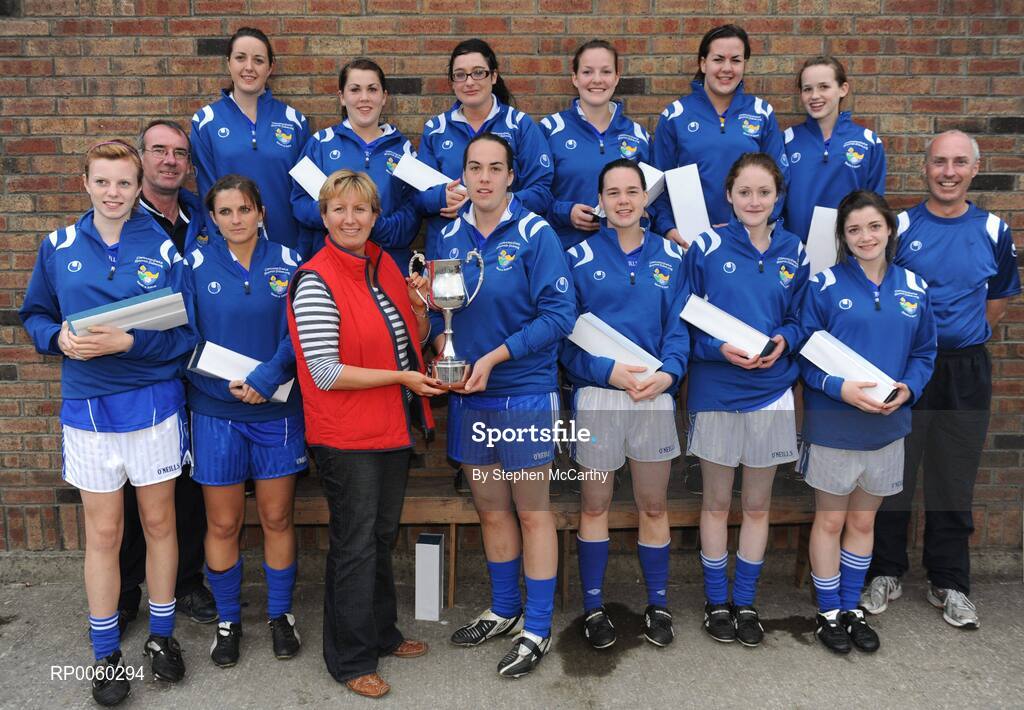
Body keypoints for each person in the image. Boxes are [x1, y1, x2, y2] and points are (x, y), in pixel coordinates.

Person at [19, 140, 195, 706]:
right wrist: (57, 339)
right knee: (103, 533)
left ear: (138, 185)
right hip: (88, 411)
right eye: (103, 182)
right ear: (86, 184)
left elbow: (185, 334)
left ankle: (162, 638)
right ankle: (106, 656)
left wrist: (131, 342)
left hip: (152, 406)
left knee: (160, 524)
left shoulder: (163, 248)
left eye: (124, 183)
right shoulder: (59, 245)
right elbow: (36, 315)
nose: (113, 193)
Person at [288, 169, 441, 699]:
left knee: (379, 535)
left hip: (391, 427)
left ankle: (381, 632)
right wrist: (402, 378)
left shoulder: (384, 263)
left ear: (376, 217)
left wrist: (420, 314)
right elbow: (326, 371)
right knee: (354, 544)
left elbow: (409, 342)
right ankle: (350, 659)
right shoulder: (315, 277)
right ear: (324, 216)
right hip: (345, 435)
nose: (350, 219)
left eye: (361, 209)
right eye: (338, 209)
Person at [862, 130, 1021, 628]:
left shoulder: (994, 229)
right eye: (939, 163)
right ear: (924, 168)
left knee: (953, 476)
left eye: (959, 163)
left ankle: (949, 580)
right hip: (909, 368)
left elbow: (996, 302)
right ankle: (885, 571)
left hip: (965, 369)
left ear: (975, 168)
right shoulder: (902, 226)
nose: (948, 172)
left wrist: (959, 338)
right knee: (896, 474)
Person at [440, 134, 575, 678]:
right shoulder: (448, 233)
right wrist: (436, 345)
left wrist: (495, 357)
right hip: (470, 394)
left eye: (496, 168)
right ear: (464, 176)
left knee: (531, 510)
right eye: (475, 168)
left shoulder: (536, 234)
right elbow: (441, 315)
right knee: (491, 509)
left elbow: (560, 315)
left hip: (522, 390)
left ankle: (538, 627)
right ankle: (504, 608)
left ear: (512, 176)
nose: (485, 178)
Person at [798, 190, 936, 654]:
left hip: (887, 427)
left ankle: (852, 606)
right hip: (836, 426)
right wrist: (841, 388)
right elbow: (807, 359)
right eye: (854, 229)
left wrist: (908, 389)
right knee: (831, 521)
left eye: (874, 226)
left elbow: (924, 352)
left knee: (863, 520)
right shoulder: (823, 287)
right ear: (843, 236)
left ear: (889, 230)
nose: (865, 236)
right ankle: (829, 611)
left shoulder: (914, 288)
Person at [561, 159, 689, 649]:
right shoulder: (577, 257)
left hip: (653, 397)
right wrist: (604, 371)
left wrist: (669, 373)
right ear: (601, 201)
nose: (622, 200)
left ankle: (658, 603)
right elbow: (565, 341)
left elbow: (679, 329)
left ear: (643, 197)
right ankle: (593, 606)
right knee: (595, 505)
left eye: (632, 191)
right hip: (598, 397)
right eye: (612, 192)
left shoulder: (671, 258)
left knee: (653, 505)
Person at [683, 152, 807, 647]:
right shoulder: (707, 247)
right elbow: (684, 322)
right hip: (717, 389)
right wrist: (719, 349)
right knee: (715, 502)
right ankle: (716, 601)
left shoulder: (794, 250)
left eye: (764, 192)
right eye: (744, 192)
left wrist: (784, 341)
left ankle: (747, 601)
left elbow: (803, 319)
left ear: (778, 198)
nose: (754, 201)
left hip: (771, 392)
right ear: (729, 196)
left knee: (757, 505)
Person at [185, 175, 306, 667]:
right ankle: (229, 620)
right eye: (225, 212)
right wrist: (225, 387)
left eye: (244, 209)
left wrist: (267, 377)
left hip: (276, 407)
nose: (236, 219)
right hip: (216, 411)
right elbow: (183, 336)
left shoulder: (290, 262)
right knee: (224, 521)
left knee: (277, 517)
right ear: (212, 219)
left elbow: (301, 331)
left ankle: (280, 615)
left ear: (261, 212)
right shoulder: (192, 266)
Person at [117, 119, 216, 634]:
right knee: (140, 484)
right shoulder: (121, 219)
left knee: (190, 482)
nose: (170, 161)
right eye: (159, 151)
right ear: (141, 159)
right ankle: (129, 583)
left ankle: (188, 580)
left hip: (197, 366)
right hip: (145, 368)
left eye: (179, 153)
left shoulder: (203, 212)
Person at [416, 38, 553, 259]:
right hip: (449, 249)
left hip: (509, 245)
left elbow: (542, 192)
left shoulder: (519, 125)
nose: (469, 82)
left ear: (494, 76)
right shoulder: (435, 129)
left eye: (478, 72)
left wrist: (496, 201)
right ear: (452, 82)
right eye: (460, 75)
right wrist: (441, 198)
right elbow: (419, 196)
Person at [651, 24, 787, 247]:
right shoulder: (675, 116)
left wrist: (759, 223)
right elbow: (658, 182)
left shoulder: (761, 112)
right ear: (703, 63)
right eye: (718, 59)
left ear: (744, 64)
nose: (727, 68)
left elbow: (780, 179)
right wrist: (667, 227)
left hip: (748, 239)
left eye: (735, 60)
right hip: (690, 241)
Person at [191, 26, 312, 254]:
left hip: (286, 247)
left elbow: (304, 194)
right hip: (231, 251)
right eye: (240, 58)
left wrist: (302, 249)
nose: (249, 67)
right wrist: (220, 251)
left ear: (270, 67)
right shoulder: (205, 122)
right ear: (229, 63)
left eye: (258, 60)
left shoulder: (294, 121)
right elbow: (207, 193)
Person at [290, 57, 420, 267]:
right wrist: (341, 218)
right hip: (331, 266)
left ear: (384, 96)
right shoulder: (320, 144)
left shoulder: (402, 149)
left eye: (372, 89)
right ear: (342, 97)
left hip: (385, 265)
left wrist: (374, 224)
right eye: (355, 89)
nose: (364, 98)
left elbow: (413, 209)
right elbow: (299, 202)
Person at [540, 39, 652, 249]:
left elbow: (654, 199)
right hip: (564, 251)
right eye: (587, 72)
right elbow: (533, 193)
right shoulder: (550, 129)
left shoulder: (638, 136)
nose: (597, 80)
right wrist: (566, 211)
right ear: (575, 78)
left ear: (617, 77)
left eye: (606, 72)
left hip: (621, 256)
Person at [782, 56, 886, 243]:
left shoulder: (868, 142)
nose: (814, 96)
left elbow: (875, 204)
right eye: (808, 89)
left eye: (824, 87)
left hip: (848, 249)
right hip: (795, 249)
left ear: (842, 89)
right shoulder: (787, 140)